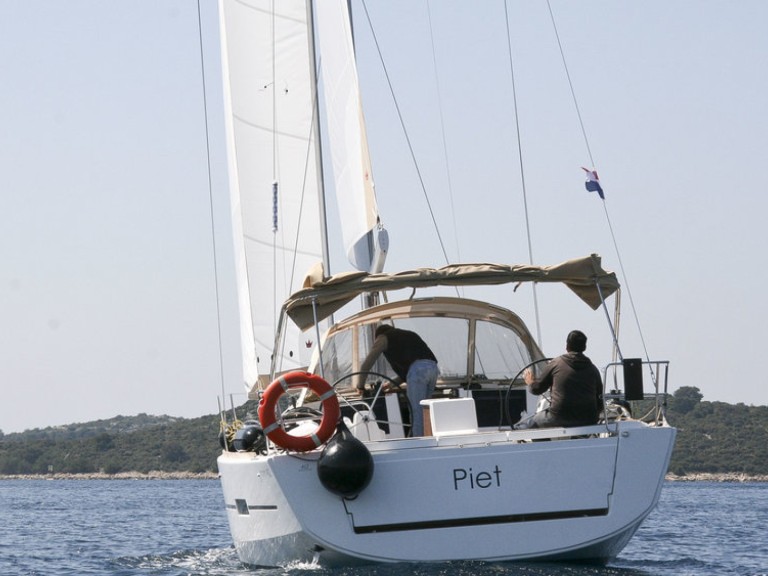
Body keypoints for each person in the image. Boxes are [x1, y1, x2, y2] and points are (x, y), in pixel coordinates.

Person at [357, 324, 439, 437]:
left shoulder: (384, 337)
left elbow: (367, 364)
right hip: (433, 369)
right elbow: (413, 369)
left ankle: (419, 444)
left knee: (417, 413)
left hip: (419, 371)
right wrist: (390, 385)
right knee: (425, 411)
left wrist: (360, 386)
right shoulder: (408, 334)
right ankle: (429, 439)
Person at [521, 330, 603, 428]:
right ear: (584, 347)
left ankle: (547, 444)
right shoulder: (593, 369)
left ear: (567, 346)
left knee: (530, 424)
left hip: (558, 417)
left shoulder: (556, 364)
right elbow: (600, 399)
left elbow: (536, 389)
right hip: (588, 419)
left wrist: (530, 381)